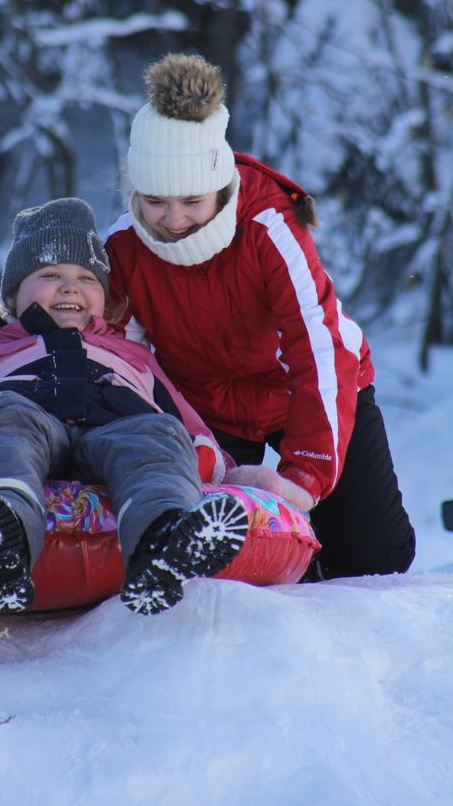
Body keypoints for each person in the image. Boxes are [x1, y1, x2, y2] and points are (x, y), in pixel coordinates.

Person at [104, 52, 416, 581]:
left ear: (221, 185)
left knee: (372, 558)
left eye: (191, 200)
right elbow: (122, 358)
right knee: (214, 557)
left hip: (306, 390)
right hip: (206, 406)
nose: (173, 219)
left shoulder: (268, 226)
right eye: (155, 200)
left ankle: (319, 551)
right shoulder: (126, 246)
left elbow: (318, 346)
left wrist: (303, 480)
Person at [0, 198, 250, 616]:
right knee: (1, 422)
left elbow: (187, 427)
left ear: (103, 296)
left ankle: (161, 539)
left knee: (152, 435)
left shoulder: (133, 357)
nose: (70, 286)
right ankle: (3, 531)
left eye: (86, 277)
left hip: (115, 426)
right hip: (21, 423)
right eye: (51, 274)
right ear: (15, 296)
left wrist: (207, 457)